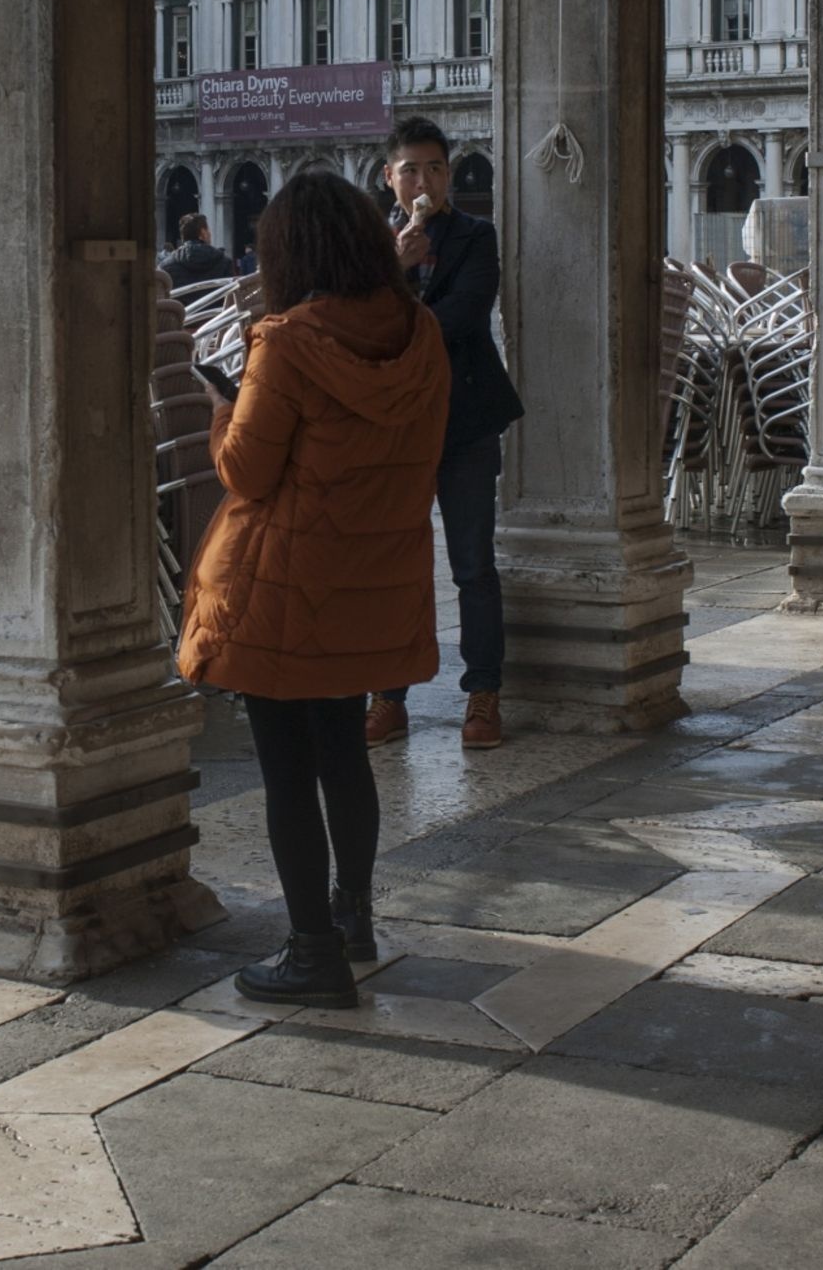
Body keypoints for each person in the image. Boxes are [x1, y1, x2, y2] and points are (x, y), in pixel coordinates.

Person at [181, 171, 449, 1007]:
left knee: (287, 770)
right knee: (343, 753)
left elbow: (244, 471)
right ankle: (353, 918)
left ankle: (310, 951)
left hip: (285, 589)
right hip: (371, 581)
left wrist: (220, 410)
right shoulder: (422, 334)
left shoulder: (287, 341)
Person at [365, 116, 524, 752]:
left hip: (463, 420)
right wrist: (396, 269)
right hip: (392, 428)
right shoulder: (370, 248)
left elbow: (462, 316)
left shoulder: (475, 236)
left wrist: (399, 311)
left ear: (448, 176)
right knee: (390, 565)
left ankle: (483, 696)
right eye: (410, 169)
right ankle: (387, 695)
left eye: (434, 169)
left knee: (473, 564)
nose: (422, 181)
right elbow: (357, 323)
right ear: (389, 177)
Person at [159, 213, 231, 291]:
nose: (210, 234)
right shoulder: (224, 262)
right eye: (208, 230)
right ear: (203, 233)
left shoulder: (166, 266)